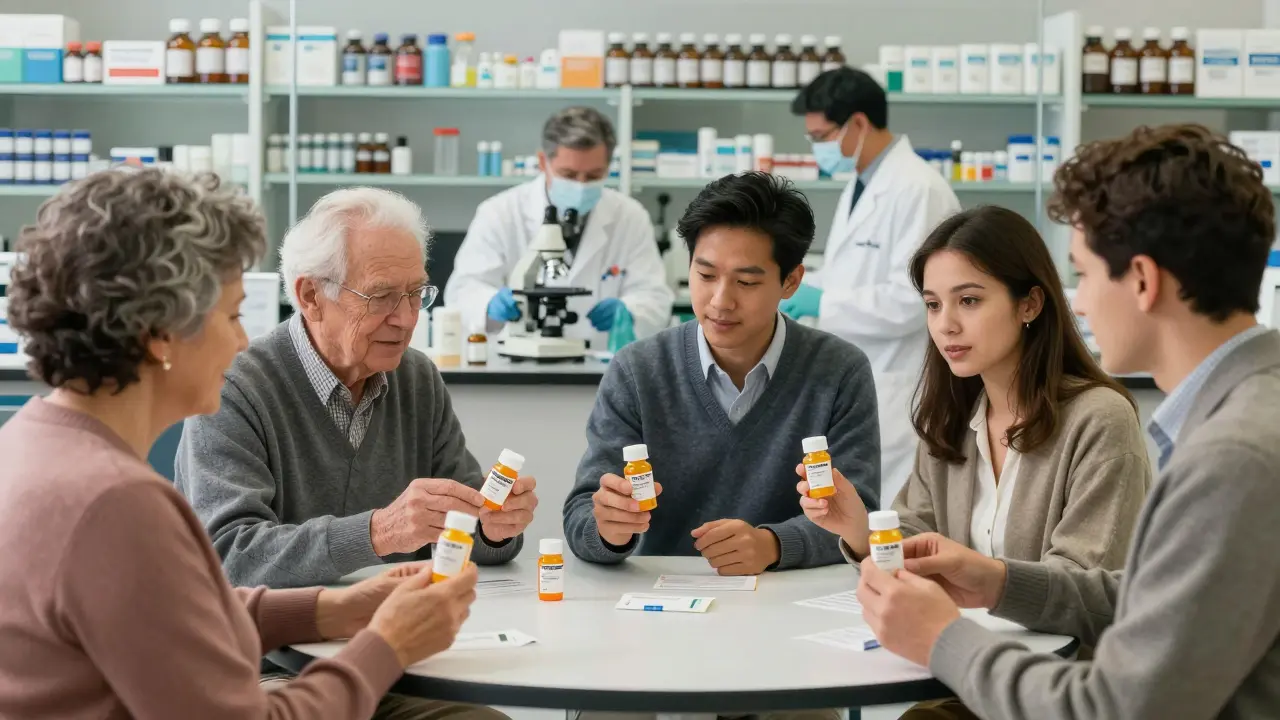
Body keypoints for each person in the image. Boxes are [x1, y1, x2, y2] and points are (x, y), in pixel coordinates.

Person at [0, 169, 480, 719]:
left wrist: (332, 608)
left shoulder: (33, 443)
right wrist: (387, 645)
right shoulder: (116, 503)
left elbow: (172, 612)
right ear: (161, 333)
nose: (244, 339)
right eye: (231, 315)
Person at [856, 124, 1280, 720]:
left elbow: (1117, 707)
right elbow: (1150, 599)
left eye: (1082, 273)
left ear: (1141, 280)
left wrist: (944, 639)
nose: (1075, 302)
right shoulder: (1249, 416)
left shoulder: (1236, 456)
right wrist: (1000, 581)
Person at [176, 187, 536, 589]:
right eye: (381, 297)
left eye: (416, 294)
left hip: (403, 629)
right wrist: (380, 532)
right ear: (311, 296)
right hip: (270, 645)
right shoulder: (235, 387)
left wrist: (494, 527)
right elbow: (229, 556)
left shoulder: (416, 378)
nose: (405, 319)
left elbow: (464, 529)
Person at [799, 205, 1150, 573]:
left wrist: (981, 581)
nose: (945, 325)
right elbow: (915, 539)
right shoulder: (949, 419)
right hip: (958, 631)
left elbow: (1085, 584)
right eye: (933, 305)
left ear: (1029, 304)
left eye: (969, 300)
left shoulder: (1100, 420)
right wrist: (859, 530)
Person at [563, 172, 880, 574]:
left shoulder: (838, 371)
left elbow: (861, 518)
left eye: (746, 281)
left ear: (791, 281)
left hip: (787, 602)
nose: (720, 301)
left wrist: (773, 545)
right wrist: (609, 530)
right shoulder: (637, 370)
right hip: (658, 599)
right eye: (706, 275)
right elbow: (580, 516)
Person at [786, 68, 961, 505]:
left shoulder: (919, 190)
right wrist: (795, 290)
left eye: (822, 136)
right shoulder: (861, 185)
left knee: (889, 516)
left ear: (859, 124)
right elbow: (852, 274)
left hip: (897, 385)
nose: (817, 149)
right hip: (858, 376)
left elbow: (915, 299)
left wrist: (824, 302)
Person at [445, 106, 674, 350]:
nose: (581, 186)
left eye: (594, 175)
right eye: (569, 174)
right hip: (513, 365)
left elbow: (655, 296)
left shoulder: (630, 216)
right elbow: (463, 291)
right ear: (543, 162)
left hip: (600, 364)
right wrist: (489, 304)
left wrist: (629, 311)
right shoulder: (500, 213)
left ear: (608, 165)